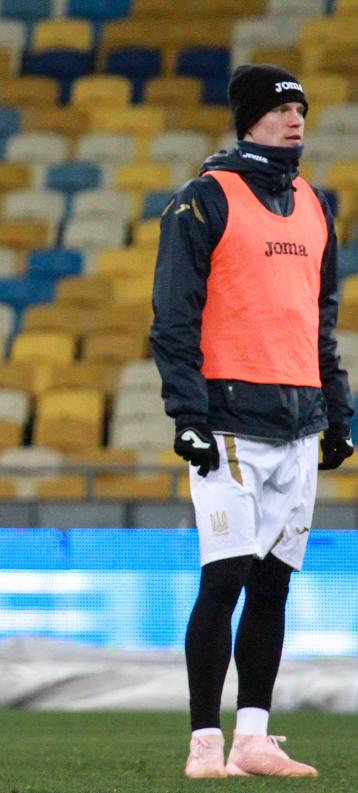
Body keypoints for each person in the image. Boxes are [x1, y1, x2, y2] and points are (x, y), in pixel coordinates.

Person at [151, 65, 353, 780]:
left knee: (274, 583)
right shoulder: (203, 200)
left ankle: (254, 738)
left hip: (298, 421)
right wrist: (187, 413)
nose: (296, 120)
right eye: (281, 109)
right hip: (229, 421)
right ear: (248, 119)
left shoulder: (315, 205)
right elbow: (172, 317)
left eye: (301, 109)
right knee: (226, 575)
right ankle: (205, 743)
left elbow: (319, 321)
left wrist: (337, 408)